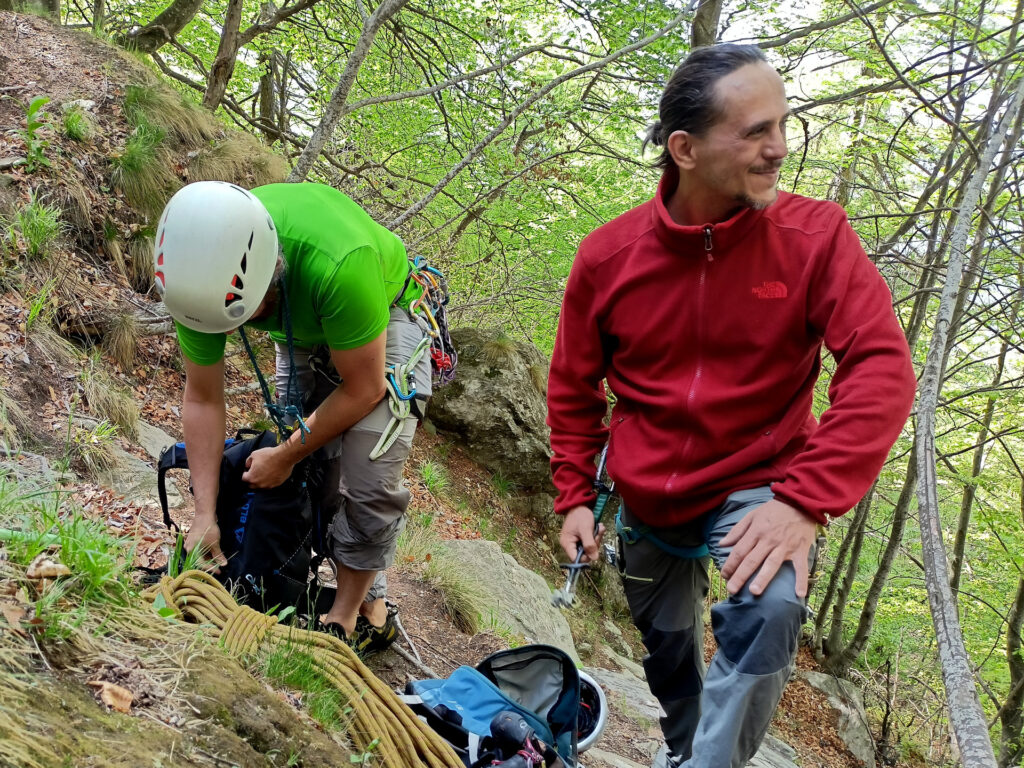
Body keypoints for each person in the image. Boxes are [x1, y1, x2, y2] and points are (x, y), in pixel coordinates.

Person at [547, 44, 916, 768]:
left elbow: (881, 367)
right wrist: (574, 496)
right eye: (755, 132)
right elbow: (573, 386)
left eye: (782, 125)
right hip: (648, 493)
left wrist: (806, 501)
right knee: (672, 662)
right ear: (684, 149)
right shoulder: (607, 258)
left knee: (770, 608)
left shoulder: (816, 240)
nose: (778, 148)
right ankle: (688, 752)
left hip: (760, 480)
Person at [155, 180, 435, 653]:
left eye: (246, 314)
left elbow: (364, 389)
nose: (240, 331)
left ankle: (349, 619)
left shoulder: (340, 264)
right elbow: (203, 398)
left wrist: (284, 454)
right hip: (302, 318)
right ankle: (352, 579)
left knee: (368, 472)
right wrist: (203, 513)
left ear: (270, 271)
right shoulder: (197, 279)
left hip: (383, 310)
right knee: (314, 470)